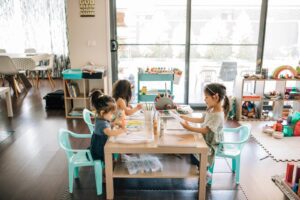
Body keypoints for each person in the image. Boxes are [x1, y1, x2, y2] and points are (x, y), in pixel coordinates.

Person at [180, 83, 230, 168]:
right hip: (206, 138)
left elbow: (206, 130)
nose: (204, 99)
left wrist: (189, 128)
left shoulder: (218, 115)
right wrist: (186, 118)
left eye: (206, 97)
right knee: (188, 142)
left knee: (191, 150)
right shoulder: (211, 109)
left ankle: (204, 171)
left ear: (216, 97)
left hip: (211, 143)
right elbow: (202, 120)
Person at [89, 90, 126, 161]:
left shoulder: (101, 118)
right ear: (102, 112)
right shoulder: (102, 123)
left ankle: (113, 163)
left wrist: (116, 123)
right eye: (111, 113)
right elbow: (110, 133)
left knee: (113, 147)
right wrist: (122, 130)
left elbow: (110, 122)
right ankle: (108, 170)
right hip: (99, 151)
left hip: (101, 145)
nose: (112, 115)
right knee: (110, 155)